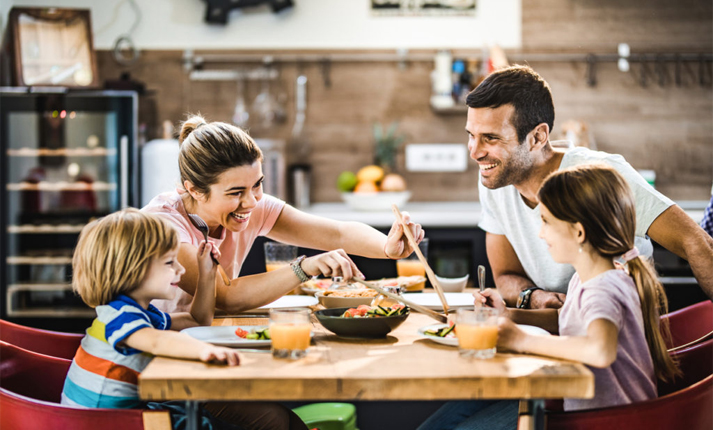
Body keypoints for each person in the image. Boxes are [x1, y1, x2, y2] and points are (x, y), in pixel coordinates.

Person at [418, 165, 679, 430]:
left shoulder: (603, 289)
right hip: (583, 407)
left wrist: (521, 340)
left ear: (578, 232)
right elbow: (566, 320)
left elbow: (600, 350)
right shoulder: (589, 276)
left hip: (605, 422)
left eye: (545, 222)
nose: (541, 233)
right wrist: (508, 315)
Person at [467, 65, 713, 309]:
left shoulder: (601, 176)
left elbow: (695, 241)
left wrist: (507, 319)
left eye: (491, 138)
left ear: (538, 137)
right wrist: (533, 297)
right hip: (559, 336)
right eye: (471, 135)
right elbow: (506, 274)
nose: (475, 152)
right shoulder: (495, 178)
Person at [142, 115, 424, 314]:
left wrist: (387, 248)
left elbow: (337, 233)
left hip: (206, 340)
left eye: (258, 185)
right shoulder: (165, 228)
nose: (251, 202)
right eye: (235, 193)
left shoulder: (249, 206)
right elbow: (225, 295)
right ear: (194, 190)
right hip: (155, 362)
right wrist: (306, 268)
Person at [61, 209, 307, 430]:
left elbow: (197, 319)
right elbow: (156, 342)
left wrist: (207, 274)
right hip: (108, 423)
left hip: (129, 416)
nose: (180, 269)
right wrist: (204, 351)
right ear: (131, 269)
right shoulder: (121, 316)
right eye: (170, 262)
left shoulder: (142, 313)